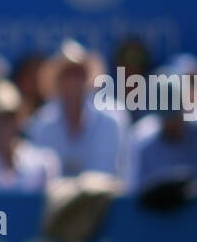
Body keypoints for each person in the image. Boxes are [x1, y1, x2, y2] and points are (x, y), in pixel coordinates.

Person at [27, 39, 127, 178]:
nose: (74, 80)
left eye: (79, 73)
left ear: (87, 77)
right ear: (58, 80)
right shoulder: (41, 124)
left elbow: (110, 172)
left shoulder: (112, 120)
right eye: (68, 74)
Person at [126, 66, 197, 194]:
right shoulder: (141, 142)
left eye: (175, 113)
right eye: (165, 115)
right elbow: (135, 193)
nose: (170, 122)